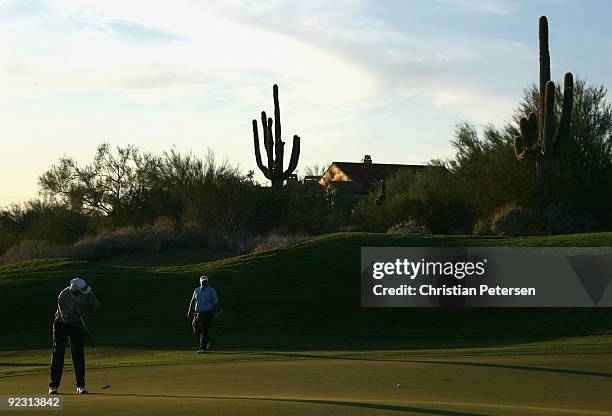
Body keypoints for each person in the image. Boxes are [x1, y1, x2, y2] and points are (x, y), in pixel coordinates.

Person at [48, 278, 100, 395]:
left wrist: (83, 309)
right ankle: (53, 386)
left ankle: (81, 386)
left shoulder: (86, 290)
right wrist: (82, 328)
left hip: (78, 322)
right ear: (75, 290)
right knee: (58, 353)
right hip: (61, 324)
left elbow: (96, 304)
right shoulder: (63, 295)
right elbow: (66, 318)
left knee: (78, 353)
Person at [187, 275, 219, 354]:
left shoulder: (211, 291)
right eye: (203, 281)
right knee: (196, 328)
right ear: (200, 282)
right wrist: (189, 311)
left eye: (205, 281)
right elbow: (193, 301)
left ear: (207, 282)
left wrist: (215, 313)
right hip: (197, 313)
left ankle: (202, 348)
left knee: (205, 330)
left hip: (207, 313)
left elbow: (215, 303)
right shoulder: (196, 290)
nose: (204, 283)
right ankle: (208, 340)